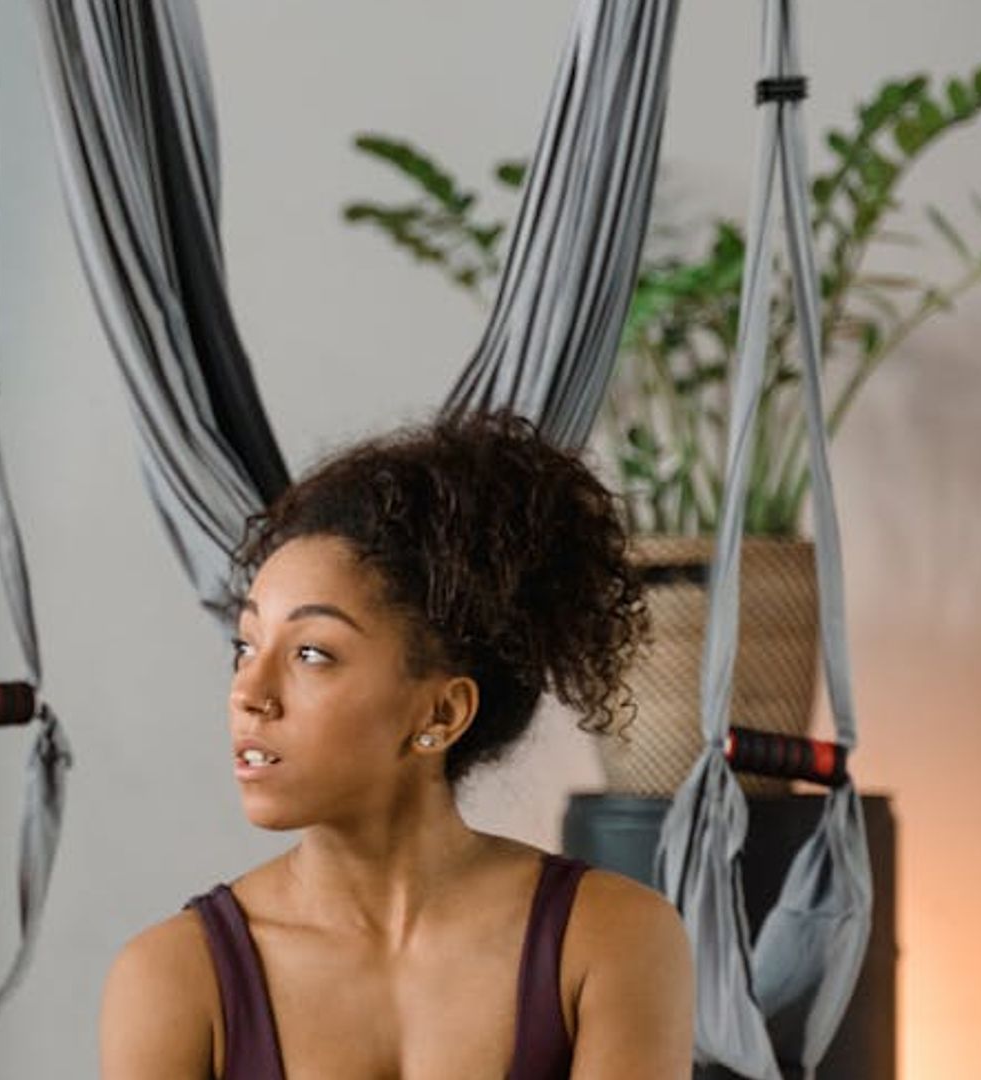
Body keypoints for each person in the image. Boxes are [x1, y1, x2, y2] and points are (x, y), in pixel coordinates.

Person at [99, 412, 694, 1079]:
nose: (249, 692)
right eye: (246, 645)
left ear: (441, 711)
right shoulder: (174, 979)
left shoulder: (611, 941)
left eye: (312, 653)